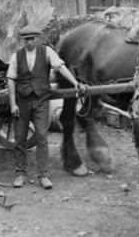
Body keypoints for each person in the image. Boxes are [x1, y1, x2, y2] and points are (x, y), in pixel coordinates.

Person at [7, 24, 85, 190]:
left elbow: (60, 67)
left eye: (32, 39)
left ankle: (43, 175)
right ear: (23, 41)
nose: (29, 42)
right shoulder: (17, 56)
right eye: (26, 40)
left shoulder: (47, 52)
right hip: (22, 102)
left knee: (42, 136)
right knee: (20, 138)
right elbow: (11, 80)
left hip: (41, 101)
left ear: (38, 39)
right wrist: (13, 104)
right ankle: (20, 174)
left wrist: (75, 82)